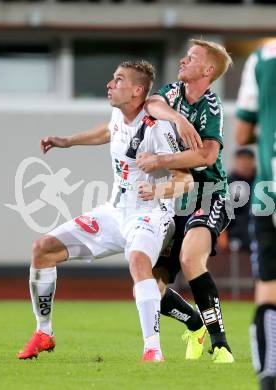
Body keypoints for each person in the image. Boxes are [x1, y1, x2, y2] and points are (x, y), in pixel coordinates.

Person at [17, 60, 202, 362]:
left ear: (137, 90)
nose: (109, 85)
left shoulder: (160, 128)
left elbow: (185, 181)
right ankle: (43, 332)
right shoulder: (118, 113)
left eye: (118, 80)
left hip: (151, 213)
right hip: (114, 211)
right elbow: (109, 131)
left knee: (139, 262)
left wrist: (156, 189)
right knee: (43, 249)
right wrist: (69, 142)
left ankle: (152, 349)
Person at [137, 38, 235, 363]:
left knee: (192, 259)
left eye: (191, 57)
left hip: (209, 192)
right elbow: (151, 103)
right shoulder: (175, 92)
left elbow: (207, 155)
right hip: (177, 196)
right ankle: (195, 323)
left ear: (207, 70)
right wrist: (177, 119)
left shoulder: (212, 106)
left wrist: (161, 159)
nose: (182, 60)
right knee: (151, 285)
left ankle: (220, 345)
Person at [235, 39, 276, 390]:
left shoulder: (262, 56)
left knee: (268, 288)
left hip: (270, 191)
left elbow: (242, 132)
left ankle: (269, 373)